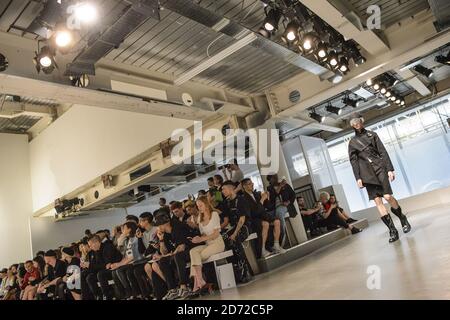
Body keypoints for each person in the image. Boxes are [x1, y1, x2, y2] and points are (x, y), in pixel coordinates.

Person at [348, 113, 411, 243]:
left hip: (380, 168)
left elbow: (383, 152)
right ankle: (392, 230)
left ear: (361, 121)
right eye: (353, 122)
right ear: (352, 125)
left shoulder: (372, 135)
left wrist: (390, 169)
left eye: (357, 121)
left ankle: (402, 218)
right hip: (366, 174)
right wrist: (358, 178)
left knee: (387, 197)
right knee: (378, 202)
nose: (356, 124)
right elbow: (353, 162)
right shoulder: (352, 142)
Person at [188, 196, 225, 296]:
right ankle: (200, 281)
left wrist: (201, 239)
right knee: (193, 251)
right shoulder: (200, 218)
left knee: (197, 257)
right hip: (208, 244)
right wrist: (198, 238)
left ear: (206, 204)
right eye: (197, 206)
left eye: (200, 205)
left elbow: (216, 234)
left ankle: (197, 283)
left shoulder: (214, 214)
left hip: (217, 243)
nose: (199, 207)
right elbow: (204, 235)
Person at [152, 213, 192, 300]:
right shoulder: (165, 233)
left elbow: (182, 247)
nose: (157, 228)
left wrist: (170, 254)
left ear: (164, 224)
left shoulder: (177, 227)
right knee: (163, 261)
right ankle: (173, 289)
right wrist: (161, 240)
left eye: (158, 226)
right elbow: (164, 252)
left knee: (177, 256)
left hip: (191, 250)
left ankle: (184, 287)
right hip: (177, 254)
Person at [241, 178, 284, 258]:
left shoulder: (256, 194)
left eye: (252, 183)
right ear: (244, 186)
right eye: (249, 184)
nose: (252, 185)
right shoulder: (244, 198)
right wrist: (262, 200)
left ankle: (276, 244)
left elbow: (267, 206)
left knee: (277, 221)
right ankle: (262, 249)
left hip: (263, 215)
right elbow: (254, 212)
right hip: (254, 218)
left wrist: (267, 197)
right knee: (265, 224)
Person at [221, 180, 253, 283]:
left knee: (236, 240)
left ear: (231, 189)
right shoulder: (228, 202)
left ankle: (246, 271)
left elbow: (242, 219)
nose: (222, 191)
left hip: (244, 226)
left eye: (224, 189)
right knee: (225, 239)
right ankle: (236, 269)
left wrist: (234, 233)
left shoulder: (241, 200)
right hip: (234, 227)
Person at [110, 222, 143, 300]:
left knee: (120, 270)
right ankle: (124, 294)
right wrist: (118, 263)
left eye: (124, 229)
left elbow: (132, 257)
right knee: (115, 271)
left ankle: (131, 293)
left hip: (137, 261)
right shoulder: (128, 240)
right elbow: (126, 256)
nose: (122, 231)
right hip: (130, 262)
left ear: (129, 229)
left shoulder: (135, 238)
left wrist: (119, 265)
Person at [84, 234, 122, 300]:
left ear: (96, 242)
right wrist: (88, 267)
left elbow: (107, 265)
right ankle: (98, 296)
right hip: (104, 270)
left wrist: (91, 266)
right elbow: (98, 266)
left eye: (90, 245)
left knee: (100, 274)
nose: (90, 247)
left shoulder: (107, 247)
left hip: (115, 268)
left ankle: (107, 296)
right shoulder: (94, 252)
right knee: (89, 277)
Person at [266, 174, 297, 242]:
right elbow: (273, 197)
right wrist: (280, 186)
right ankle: (271, 242)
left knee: (279, 212)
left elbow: (293, 195)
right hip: (274, 207)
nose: (276, 179)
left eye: (276, 177)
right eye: (273, 178)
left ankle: (282, 235)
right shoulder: (269, 188)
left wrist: (288, 202)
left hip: (285, 206)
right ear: (270, 180)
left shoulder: (285, 185)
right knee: (265, 217)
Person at [134, 212, 158, 299]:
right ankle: (156, 289)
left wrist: (146, 253)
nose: (139, 223)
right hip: (149, 258)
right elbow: (142, 251)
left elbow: (153, 247)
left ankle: (160, 288)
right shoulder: (143, 234)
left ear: (146, 221)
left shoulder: (156, 229)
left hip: (157, 255)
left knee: (148, 266)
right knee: (144, 268)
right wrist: (139, 238)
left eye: (140, 221)